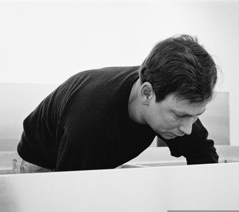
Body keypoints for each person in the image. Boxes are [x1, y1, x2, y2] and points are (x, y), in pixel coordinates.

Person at [15, 34, 219, 173]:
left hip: (91, 160)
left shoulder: (173, 96)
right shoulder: (91, 123)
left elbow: (201, 152)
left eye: (196, 116)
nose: (188, 128)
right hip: (43, 163)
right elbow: (72, 196)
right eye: (181, 116)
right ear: (147, 94)